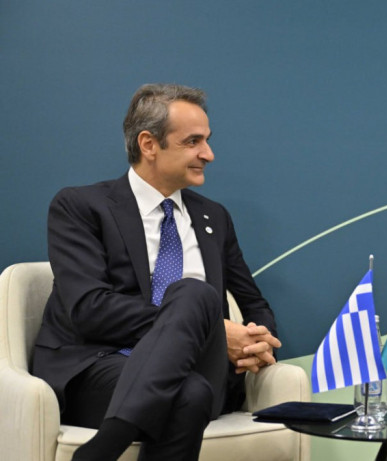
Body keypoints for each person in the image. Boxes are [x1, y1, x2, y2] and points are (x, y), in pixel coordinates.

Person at [31, 83, 281, 461]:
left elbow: (254, 303)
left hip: (202, 368)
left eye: (207, 140)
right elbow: (89, 308)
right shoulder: (81, 206)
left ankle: (105, 446)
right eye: (193, 141)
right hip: (102, 368)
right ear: (149, 144)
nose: (208, 154)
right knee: (189, 388)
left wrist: (258, 344)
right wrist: (212, 329)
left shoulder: (214, 217)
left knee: (195, 295)